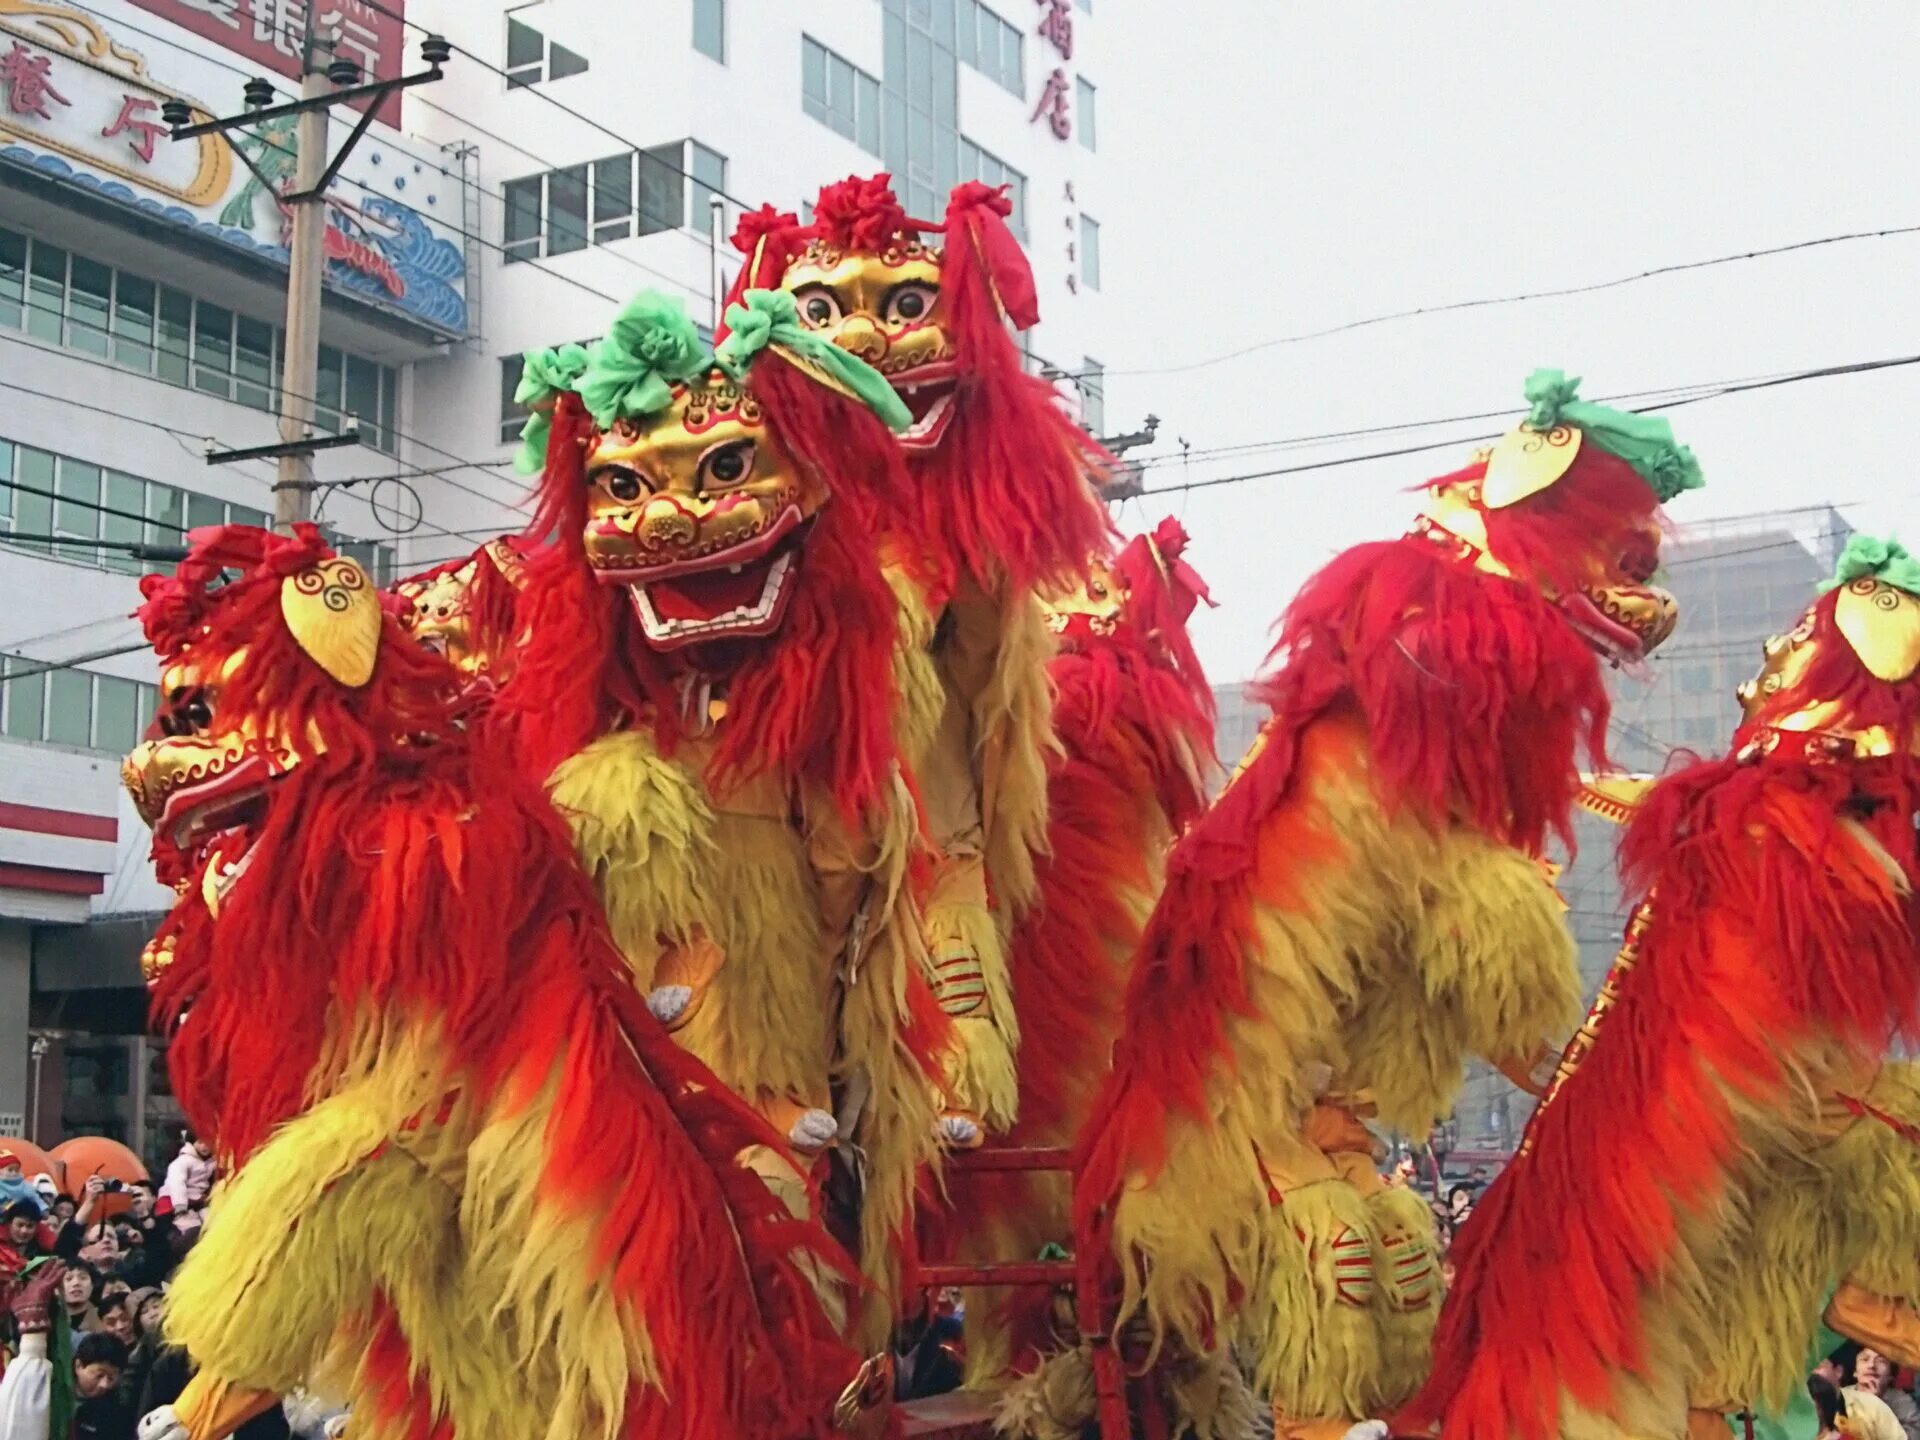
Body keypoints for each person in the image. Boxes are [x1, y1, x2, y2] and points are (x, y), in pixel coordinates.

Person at [1854, 1347, 1920, 1440]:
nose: (1871, 1365)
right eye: (1865, 1359)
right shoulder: (1841, 1398)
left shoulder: (1903, 1403)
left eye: (1881, 1361)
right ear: (1855, 1372)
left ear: (1891, 1376)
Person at [159, 1134, 213, 1235]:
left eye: (209, 1143)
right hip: (175, 1201)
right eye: (200, 1142)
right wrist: (180, 1205)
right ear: (192, 1142)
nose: (205, 1146)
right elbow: (176, 1182)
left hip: (197, 1201)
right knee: (190, 1228)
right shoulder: (183, 1161)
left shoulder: (209, 1162)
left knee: (211, 1225)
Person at [0, 1151, 45, 1215]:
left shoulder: (24, 1184)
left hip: (23, 1215)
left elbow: (35, 1197)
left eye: (17, 1170)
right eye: (10, 1170)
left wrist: (43, 1208)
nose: (14, 1173)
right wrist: (13, 1201)